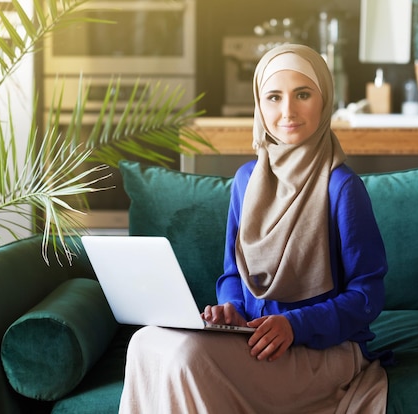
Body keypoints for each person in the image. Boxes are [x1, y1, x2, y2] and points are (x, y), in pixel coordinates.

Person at [119, 43, 391, 414]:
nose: (287, 111)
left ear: (324, 101)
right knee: (145, 343)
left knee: (187, 357)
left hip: (324, 352)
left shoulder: (341, 186)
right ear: (259, 107)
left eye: (303, 95)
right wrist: (231, 308)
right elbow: (234, 272)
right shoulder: (246, 181)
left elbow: (367, 296)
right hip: (252, 340)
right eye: (273, 97)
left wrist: (294, 325)